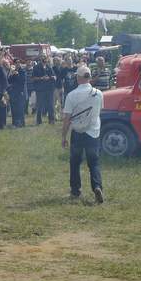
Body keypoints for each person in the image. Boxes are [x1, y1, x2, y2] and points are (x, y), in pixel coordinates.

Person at [61, 65, 104, 203]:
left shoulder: (71, 95)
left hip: (78, 132)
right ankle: (97, 186)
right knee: (94, 162)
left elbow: (67, 119)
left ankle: (75, 191)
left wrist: (64, 137)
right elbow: (98, 112)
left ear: (78, 78)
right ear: (89, 77)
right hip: (93, 132)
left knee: (75, 162)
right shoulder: (99, 93)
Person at [33, 55, 56, 125]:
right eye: (42, 58)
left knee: (50, 105)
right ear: (40, 59)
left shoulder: (49, 67)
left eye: (45, 58)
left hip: (49, 89)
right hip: (40, 89)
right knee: (40, 105)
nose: (44, 59)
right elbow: (33, 78)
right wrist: (41, 78)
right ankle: (38, 121)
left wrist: (50, 77)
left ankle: (51, 120)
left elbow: (54, 76)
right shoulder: (36, 67)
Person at [7, 60, 27, 127]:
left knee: (20, 108)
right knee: (13, 108)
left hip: (20, 92)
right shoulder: (13, 71)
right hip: (13, 92)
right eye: (16, 63)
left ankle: (21, 123)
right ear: (14, 64)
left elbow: (22, 81)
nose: (18, 64)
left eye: (19, 62)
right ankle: (14, 123)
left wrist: (17, 74)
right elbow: (9, 81)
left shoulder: (22, 71)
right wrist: (12, 74)